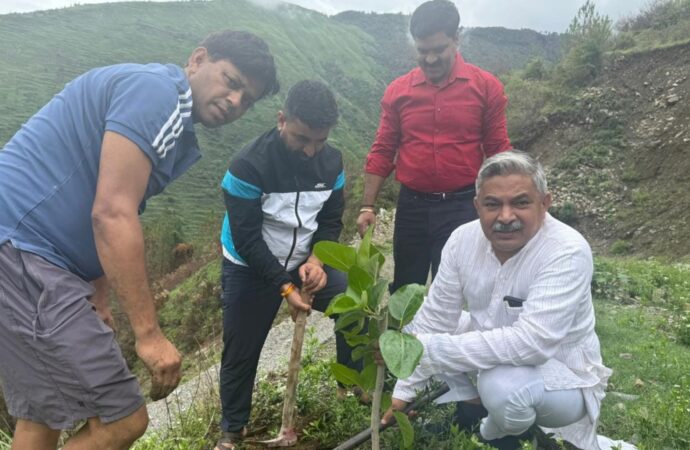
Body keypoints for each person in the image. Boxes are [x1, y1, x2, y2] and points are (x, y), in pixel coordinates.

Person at [0, 30, 279, 450]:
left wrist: (99, 290)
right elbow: (112, 213)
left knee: (43, 415)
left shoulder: (163, 105)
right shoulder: (159, 96)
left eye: (248, 99)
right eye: (232, 81)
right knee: (123, 418)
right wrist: (148, 334)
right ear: (198, 59)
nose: (236, 101)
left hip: (27, 253)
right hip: (23, 253)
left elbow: (100, 196)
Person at [382, 151, 612, 450]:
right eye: (493, 204)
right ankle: (473, 407)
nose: (505, 217)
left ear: (545, 204)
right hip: (496, 359)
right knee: (426, 329)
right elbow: (435, 319)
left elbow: (533, 343)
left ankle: (495, 432)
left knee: (502, 386)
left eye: (520, 202)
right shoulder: (462, 240)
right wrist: (404, 390)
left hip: (565, 378)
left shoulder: (566, 250)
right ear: (477, 206)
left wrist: (427, 351)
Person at [216, 80, 360, 450]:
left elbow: (330, 219)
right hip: (250, 265)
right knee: (241, 348)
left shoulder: (332, 163)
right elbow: (247, 240)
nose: (311, 151)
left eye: (319, 141)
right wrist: (285, 287)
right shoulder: (248, 166)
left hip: (302, 260)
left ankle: (352, 385)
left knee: (354, 307)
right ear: (282, 120)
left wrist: (316, 260)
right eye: (301, 139)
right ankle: (232, 431)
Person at [357, 0, 512, 292]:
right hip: (412, 206)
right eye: (422, 51)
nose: (429, 59)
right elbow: (382, 150)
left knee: (453, 288)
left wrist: (508, 203)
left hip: (463, 205)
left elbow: (498, 150)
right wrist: (367, 205)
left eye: (438, 50)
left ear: (456, 38)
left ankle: (445, 340)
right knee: (405, 286)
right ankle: (404, 337)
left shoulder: (486, 87)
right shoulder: (398, 92)